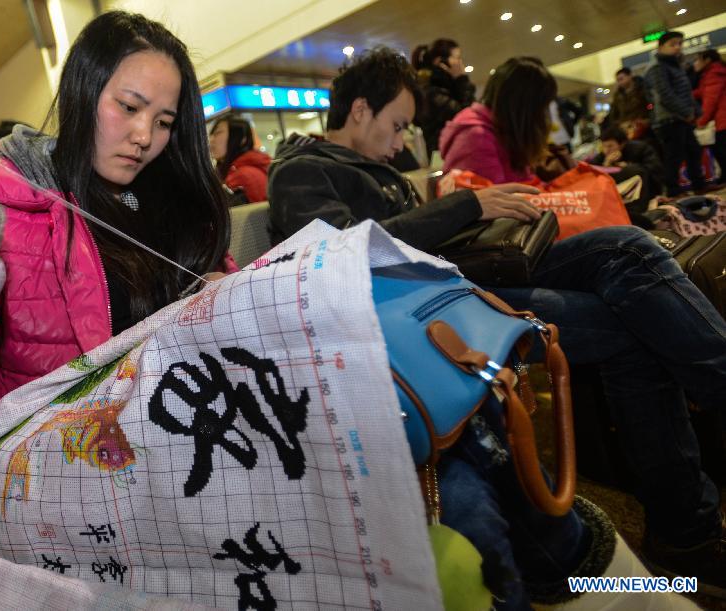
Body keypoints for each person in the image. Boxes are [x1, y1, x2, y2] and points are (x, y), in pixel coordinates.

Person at [268, 47, 726, 603]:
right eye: (396, 126)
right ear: (360, 110)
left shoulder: (382, 170)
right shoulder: (301, 170)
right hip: (435, 313)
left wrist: (473, 212)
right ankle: (686, 529)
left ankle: (687, 523)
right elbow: (333, 258)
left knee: (627, 247)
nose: (399, 143)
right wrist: (468, 207)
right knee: (631, 324)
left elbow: (421, 240)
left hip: (461, 284)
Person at [0, 11, 236, 422]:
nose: (144, 136)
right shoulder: (1, 205)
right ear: (82, 91)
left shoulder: (171, 198)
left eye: (163, 122)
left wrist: (219, 295)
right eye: (128, 106)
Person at [439, 56, 554, 184]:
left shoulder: (500, 130)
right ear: (526, 108)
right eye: (543, 107)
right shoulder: (477, 137)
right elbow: (494, 199)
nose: (545, 116)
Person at [644, 31, 707, 196]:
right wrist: (687, 112)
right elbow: (665, 95)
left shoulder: (675, 64)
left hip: (681, 118)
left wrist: (696, 112)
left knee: (693, 151)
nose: (677, 47)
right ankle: (673, 190)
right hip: (669, 119)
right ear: (661, 46)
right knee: (674, 157)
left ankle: (699, 186)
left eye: (679, 43)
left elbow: (685, 92)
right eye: (672, 44)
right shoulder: (657, 67)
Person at [411, 39, 475, 158]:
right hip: (447, 158)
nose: (460, 63)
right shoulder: (431, 93)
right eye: (456, 58)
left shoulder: (448, 89)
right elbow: (468, 118)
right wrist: (462, 80)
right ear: (440, 62)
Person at [591, 125, 664, 219]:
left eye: (610, 146)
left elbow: (655, 170)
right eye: (604, 146)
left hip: (644, 194)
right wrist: (606, 166)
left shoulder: (640, 149)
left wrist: (629, 168)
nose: (606, 150)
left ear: (622, 144)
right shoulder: (602, 156)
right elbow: (591, 174)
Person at [208, 114, 271, 203]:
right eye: (211, 134)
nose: (211, 139)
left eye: (217, 133)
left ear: (241, 138)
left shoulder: (242, 176)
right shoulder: (239, 170)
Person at [693, 49, 726, 184]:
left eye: (698, 59)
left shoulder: (714, 74)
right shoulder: (712, 73)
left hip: (723, 118)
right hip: (721, 117)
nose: (696, 63)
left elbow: (710, 100)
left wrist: (702, 120)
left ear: (707, 60)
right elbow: (702, 92)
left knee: (721, 149)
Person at [607, 67, 650, 137]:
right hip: (626, 129)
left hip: (644, 127)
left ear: (630, 76)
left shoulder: (642, 89)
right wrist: (620, 124)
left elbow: (650, 105)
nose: (620, 82)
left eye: (621, 79)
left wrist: (646, 121)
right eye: (618, 80)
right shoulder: (618, 95)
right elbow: (614, 114)